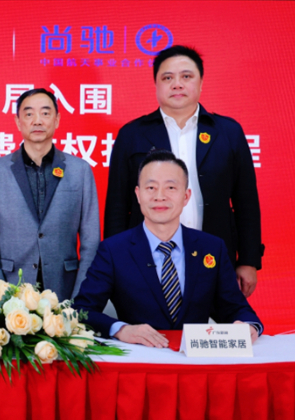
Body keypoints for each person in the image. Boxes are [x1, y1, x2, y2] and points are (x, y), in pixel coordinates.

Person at [104, 45, 262, 298]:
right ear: (156, 85)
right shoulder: (132, 134)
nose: (177, 84)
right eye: (167, 78)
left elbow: (246, 203)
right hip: (146, 259)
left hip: (214, 256)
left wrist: (249, 260)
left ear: (201, 83)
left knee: (213, 321)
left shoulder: (228, 132)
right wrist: (115, 262)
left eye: (186, 76)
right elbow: (117, 206)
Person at [75, 150, 263, 348]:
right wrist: (121, 330)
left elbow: (236, 308)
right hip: (139, 356)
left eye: (171, 187)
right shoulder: (113, 250)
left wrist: (249, 326)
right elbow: (81, 310)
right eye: (151, 188)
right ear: (138, 194)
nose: (160, 196)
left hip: (194, 358)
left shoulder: (212, 247)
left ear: (186, 196)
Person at [0, 88, 100, 299]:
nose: (37, 121)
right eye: (29, 114)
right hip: (11, 289)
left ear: (57, 120)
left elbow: (91, 239)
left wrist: (80, 296)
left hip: (64, 288)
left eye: (45, 113)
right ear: (18, 122)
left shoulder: (80, 170)